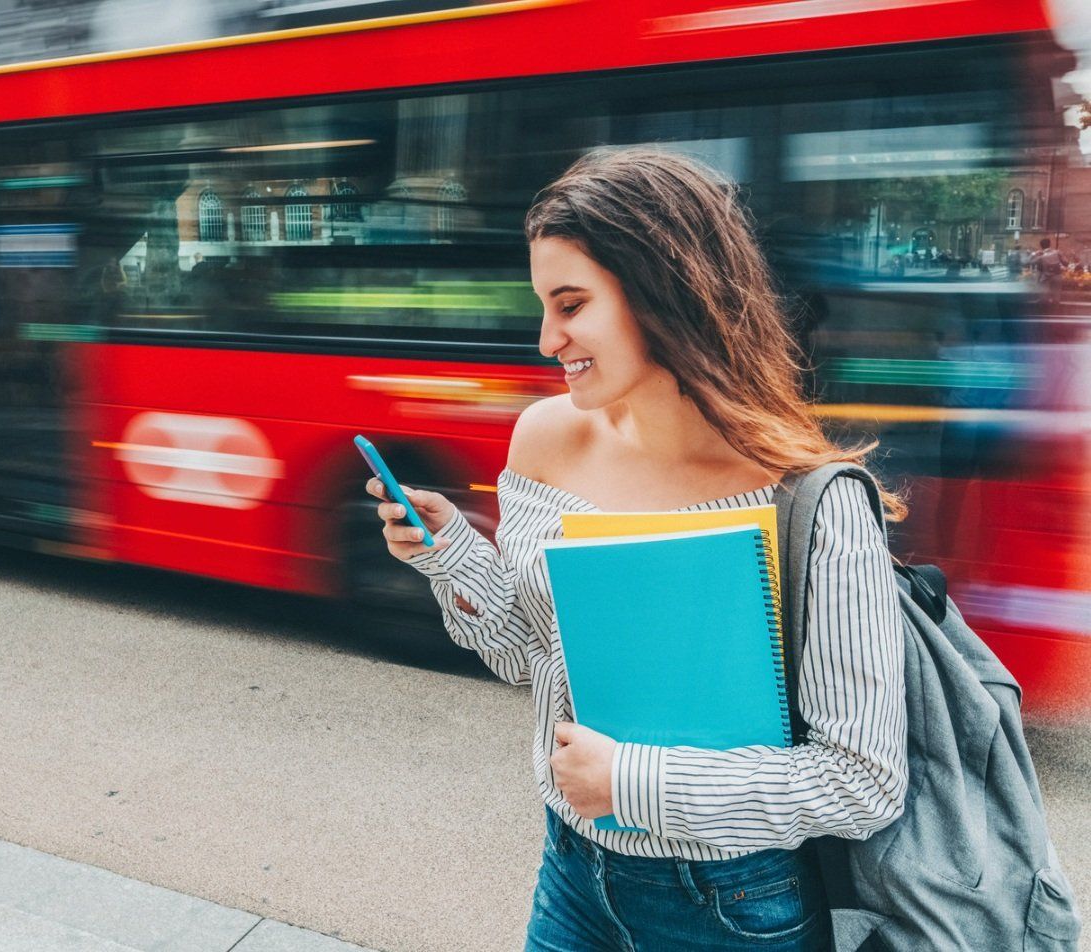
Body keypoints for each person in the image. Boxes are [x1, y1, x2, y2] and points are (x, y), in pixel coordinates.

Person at [366, 148, 908, 951]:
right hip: (573, 873)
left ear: (663, 292)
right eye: (544, 306)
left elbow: (863, 780)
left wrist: (631, 782)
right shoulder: (543, 440)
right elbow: (529, 656)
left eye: (572, 303)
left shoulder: (810, 500)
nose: (547, 339)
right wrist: (449, 553)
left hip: (734, 904)